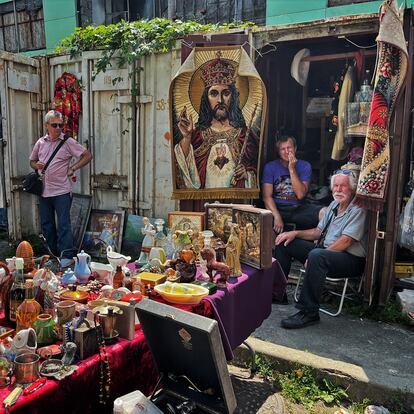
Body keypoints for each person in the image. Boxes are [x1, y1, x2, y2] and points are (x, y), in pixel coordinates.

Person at [274, 170, 367, 329]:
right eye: (336, 186)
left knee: (317, 255)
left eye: (343, 186)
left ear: (351, 189)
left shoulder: (358, 208)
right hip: (326, 254)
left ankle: (309, 312)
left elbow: (346, 241)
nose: (338, 189)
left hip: (350, 260)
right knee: (285, 242)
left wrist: (316, 255)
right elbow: (317, 232)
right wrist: (295, 233)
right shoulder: (333, 205)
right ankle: (277, 294)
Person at [174, 53, 259, 189]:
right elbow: (182, 169)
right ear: (206, 99)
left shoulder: (244, 135)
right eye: (214, 93)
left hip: (235, 201)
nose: (220, 100)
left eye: (225, 93)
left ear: (233, 97)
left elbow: (256, 166)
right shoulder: (197, 135)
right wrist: (187, 137)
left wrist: (247, 174)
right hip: (205, 202)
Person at [29, 110, 92, 268]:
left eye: (60, 125)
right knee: (46, 224)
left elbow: (87, 155)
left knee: (64, 224)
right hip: (43, 190)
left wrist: (73, 167)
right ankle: (53, 253)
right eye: (54, 125)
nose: (58, 128)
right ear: (46, 126)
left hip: (61, 191)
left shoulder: (67, 142)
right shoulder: (40, 142)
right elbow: (32, 161)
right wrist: (36, 165)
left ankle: (67, 255)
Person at [262, 135, 323, 233]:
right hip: (278, 208)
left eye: (289, 148)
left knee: (324, 213)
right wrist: (277, 216)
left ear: (295, 148)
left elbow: (300, 194)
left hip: (298, 208)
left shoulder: (305, 166)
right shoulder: (270, 167)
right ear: (278, 152)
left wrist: (292, 168)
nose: (286, 152)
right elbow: (266, 197)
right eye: (282, 149)